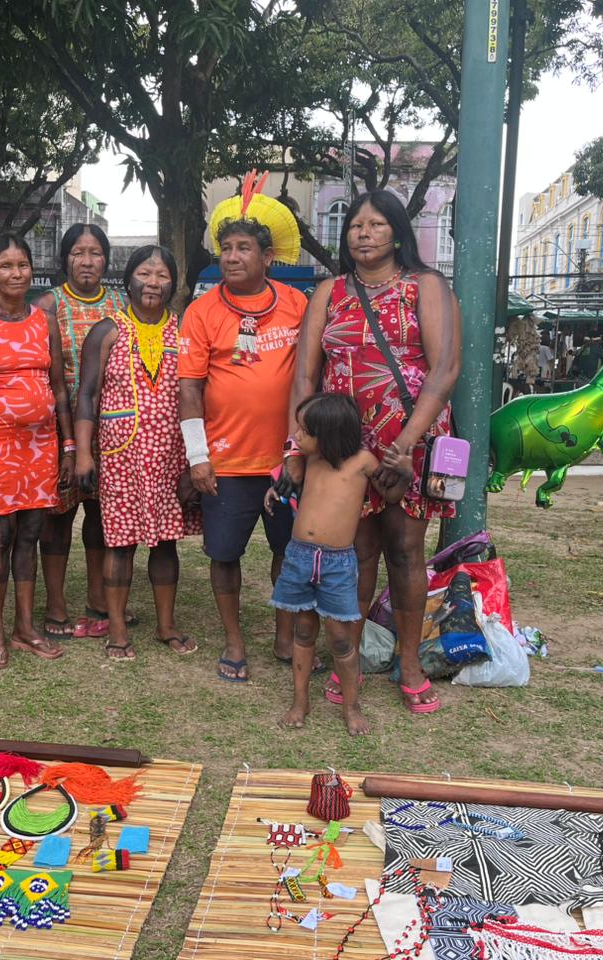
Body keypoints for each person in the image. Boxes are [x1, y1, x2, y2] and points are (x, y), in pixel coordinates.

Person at [288, 189, 462, 714]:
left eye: (376, 224)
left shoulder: (426, 286)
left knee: (406, 551)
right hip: (343, 442)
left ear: (397, 233)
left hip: (410, 437)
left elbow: (445, 369)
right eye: (355, 224)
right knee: (352, 554)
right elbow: (304, 375)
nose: (362, 232)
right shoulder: (330, 291)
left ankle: (409, 663)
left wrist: (406, 445)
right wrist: (295, 446)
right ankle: (353, 659)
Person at [179, 176, 306, 683]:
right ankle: (233, 640)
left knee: (288, 552)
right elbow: (189, 390)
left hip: (286, 461)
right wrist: (197, 456)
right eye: (226, 247)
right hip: (226, 464)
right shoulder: (201, 312)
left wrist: (302, 449)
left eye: (243, 248)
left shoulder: (297, 304)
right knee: (224, 554)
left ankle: (281, 632)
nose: (232, 257)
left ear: (267, 255)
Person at [73, 245, 200, 660]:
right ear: (128, 279)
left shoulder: (182, 330)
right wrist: (84, 455)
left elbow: (198, 393)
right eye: (145, 273)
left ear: (173, 283)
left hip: (168, 456)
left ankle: (166, 626)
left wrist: (195, 458)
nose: (153, 283)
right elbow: (87, 395)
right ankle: (118, 629)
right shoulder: (107, 330)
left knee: (165, 543)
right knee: (120, 543)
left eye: (162, 275)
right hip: (120, 456)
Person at [0, 234, 73, 669]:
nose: (16, 273)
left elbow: (58, 388)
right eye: (6, 266)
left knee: (31, 534)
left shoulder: (45, 320)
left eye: (22, 264)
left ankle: (26, 627)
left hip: (40, 445)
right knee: (0, 536)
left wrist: (67, 447)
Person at [267, 394, 409, 735]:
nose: (297, 436)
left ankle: (351, 706)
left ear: (328, 433)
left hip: (337, 564)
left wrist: (403, 473)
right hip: (300, 555)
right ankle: (301, 701)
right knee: (303, 630)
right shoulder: (309, 458)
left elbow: (390, 496)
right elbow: (288, 481)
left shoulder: (363, 462)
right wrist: (277, 490)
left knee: (342, 639)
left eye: (305, 430)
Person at [35, 224, 129, 642]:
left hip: (109, 429)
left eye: (94, 253)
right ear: (65, 258)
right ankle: (55, 603)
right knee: (59, 515)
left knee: (101, 514)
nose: (87, 261)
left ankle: (98, 598)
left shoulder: (121, 306)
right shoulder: (47, 305)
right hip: (57, 427)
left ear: (106, 260)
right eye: (78, 252)